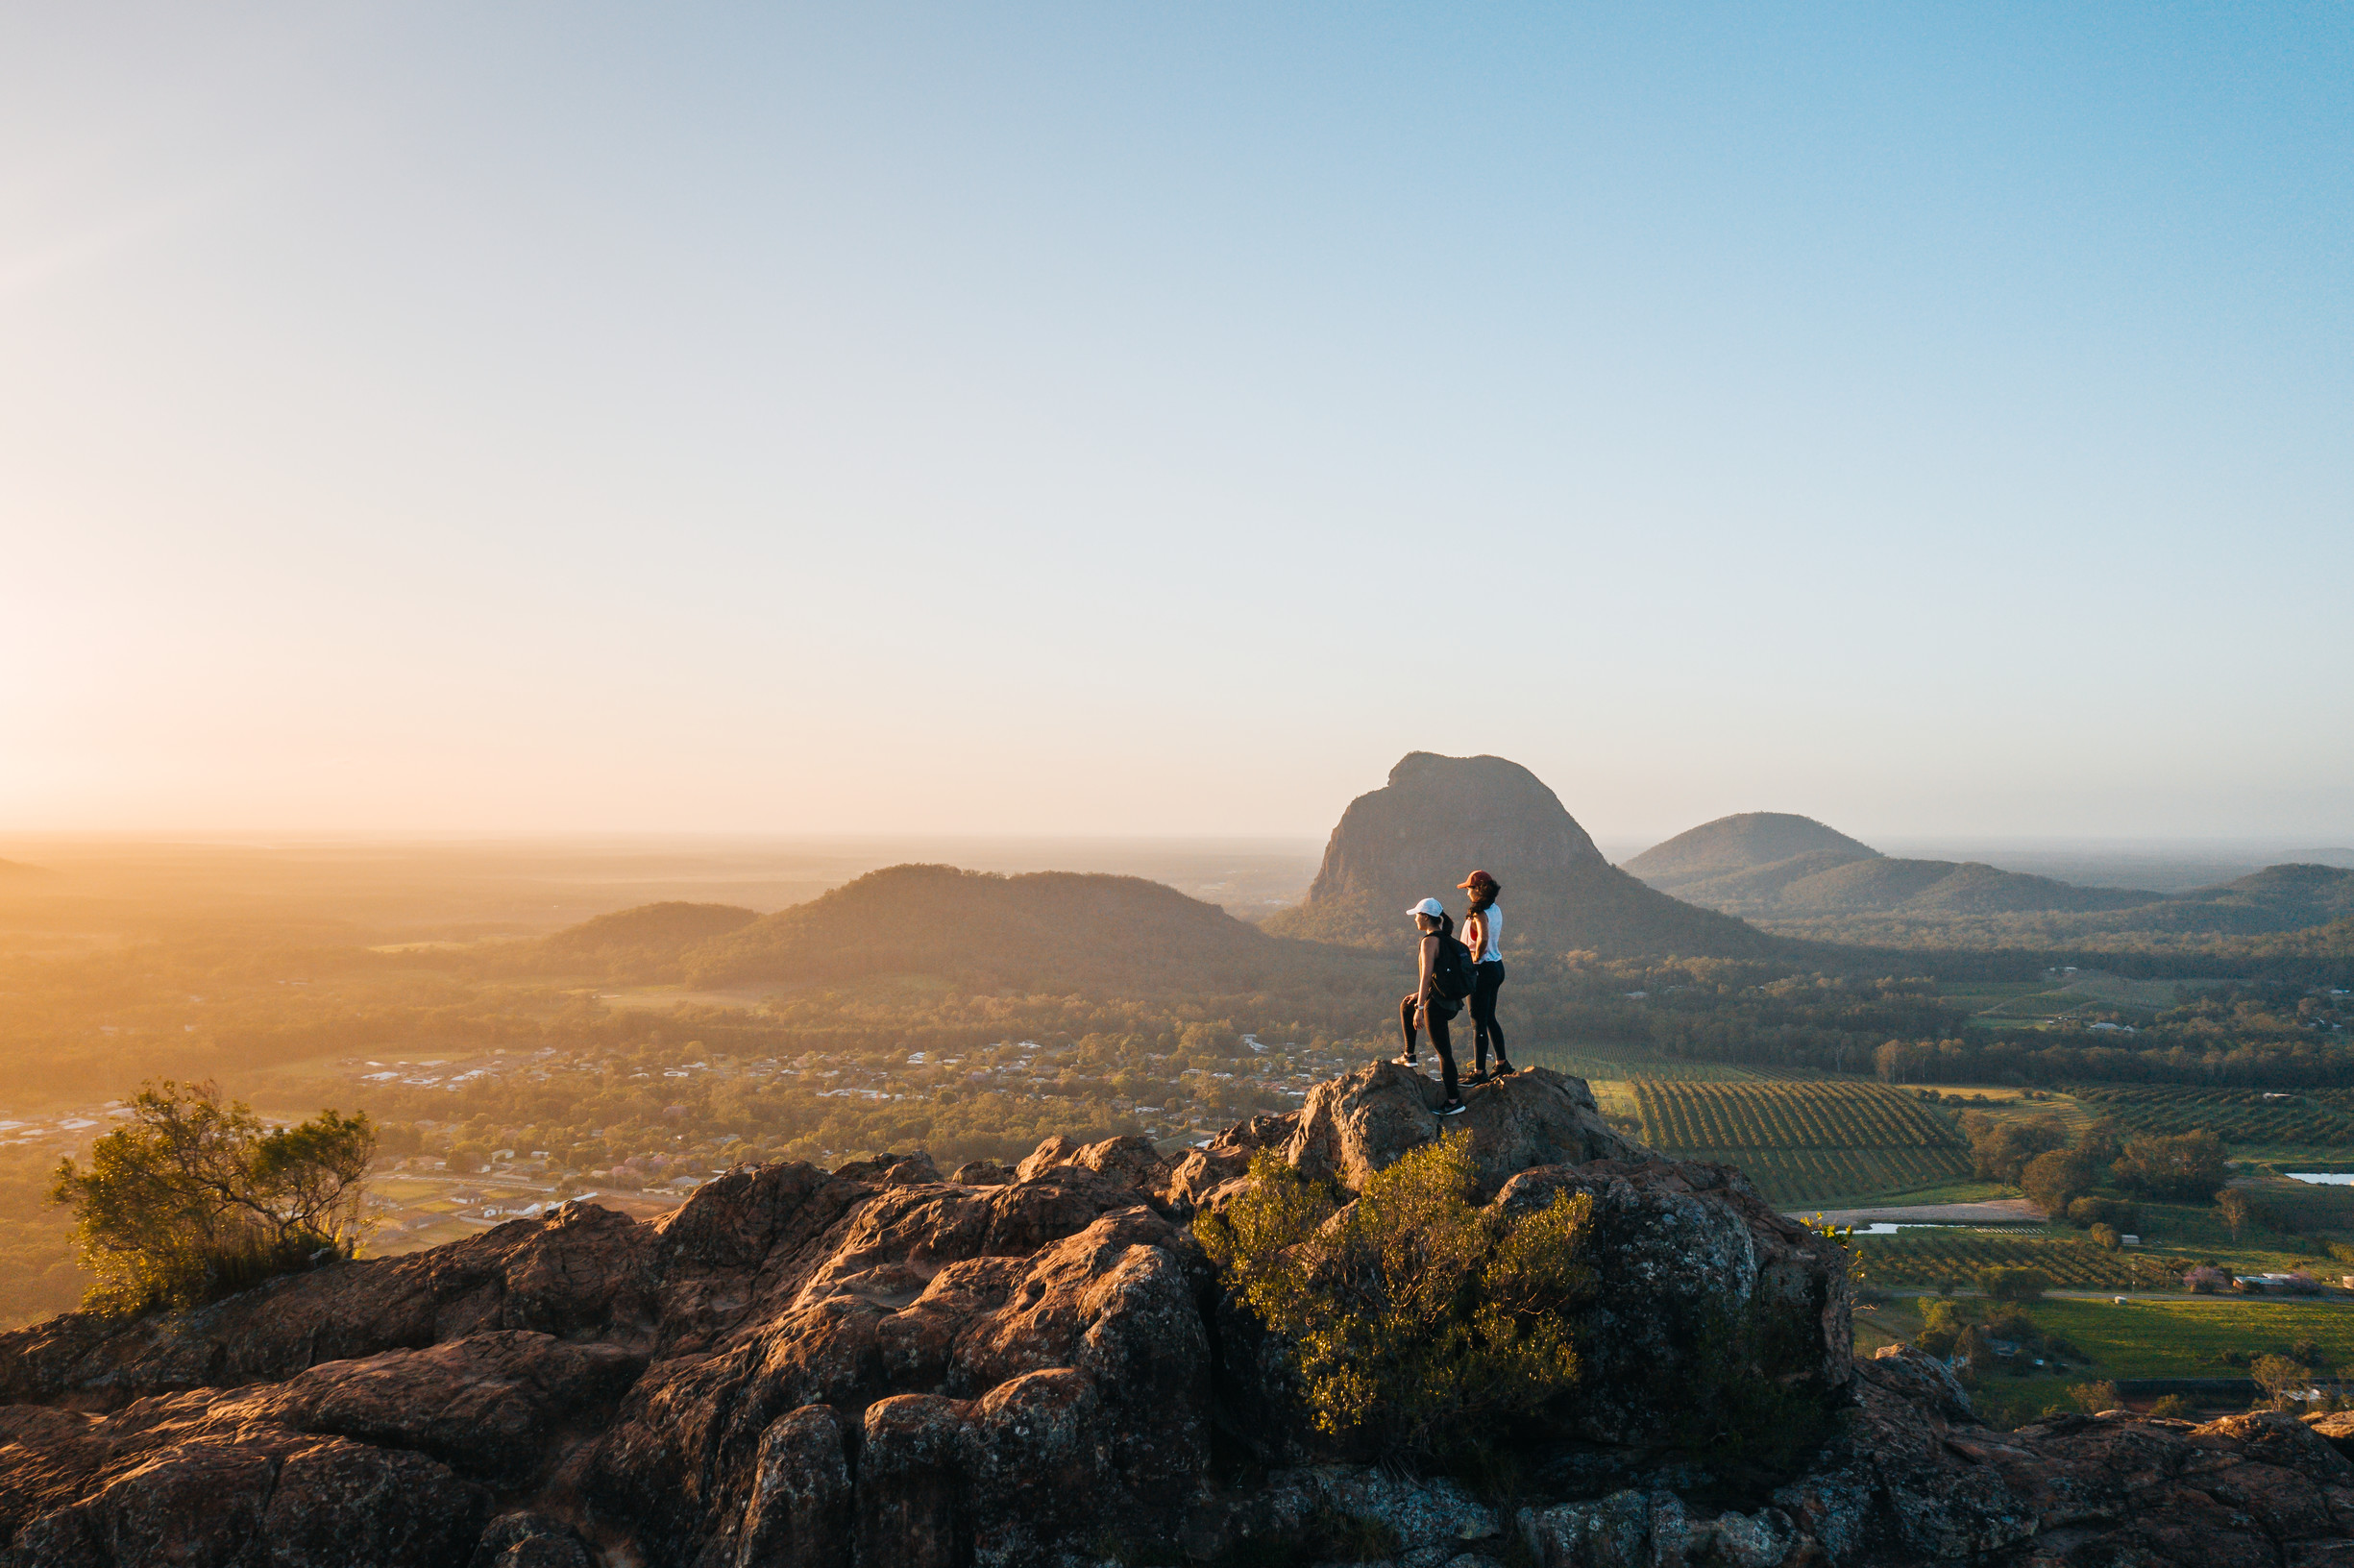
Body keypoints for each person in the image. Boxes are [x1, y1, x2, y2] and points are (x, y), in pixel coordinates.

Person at [1392, 897, 1467, 1115]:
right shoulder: (1446, 939)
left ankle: (1454, 1101)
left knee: (1444, 1053)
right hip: (1450, 1002)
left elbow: (1426, 976)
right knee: (1406, 1005)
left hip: (1437, 1006)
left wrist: (1421, 1008)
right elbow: (1439, 976)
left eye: (1417, 915)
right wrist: (1417, 999)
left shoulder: (1429, 941)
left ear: (1425, 917)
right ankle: (1409, 1055)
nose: (1415, 918)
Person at [1458, 870, 1514, 1080]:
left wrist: (1474, 961)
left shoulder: (1478, 912)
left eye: (1470, 889)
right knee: (1489, 1017)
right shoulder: (1495, 909)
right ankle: (1501, 1063)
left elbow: (1482, 938)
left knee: (1477, 1022)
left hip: (1483, 969)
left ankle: (1479, 1072)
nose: (1467, 893)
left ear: (1479, 890)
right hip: (1497, 966)